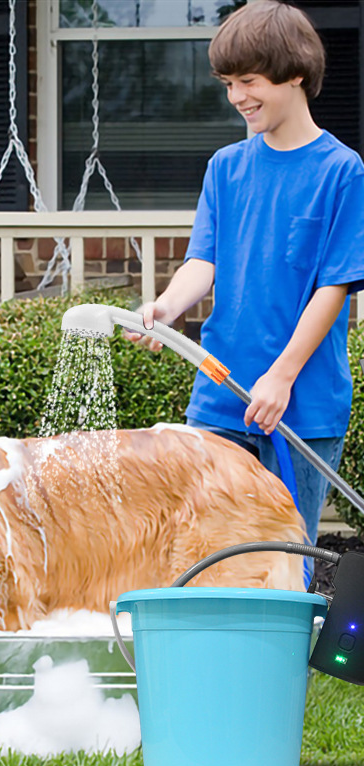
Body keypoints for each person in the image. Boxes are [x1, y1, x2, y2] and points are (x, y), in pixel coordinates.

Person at [127, 0, 364, 554]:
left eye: (249, 81)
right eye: (228, 83)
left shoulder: (342, 171)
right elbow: (203, 261)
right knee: (208, 552)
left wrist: (281, 377)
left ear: (296, 73)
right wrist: (167, 307)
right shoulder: (225, 168)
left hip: (302, 404)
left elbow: (334, 288)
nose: (237, 97)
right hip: (219, 397)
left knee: (284, 557)